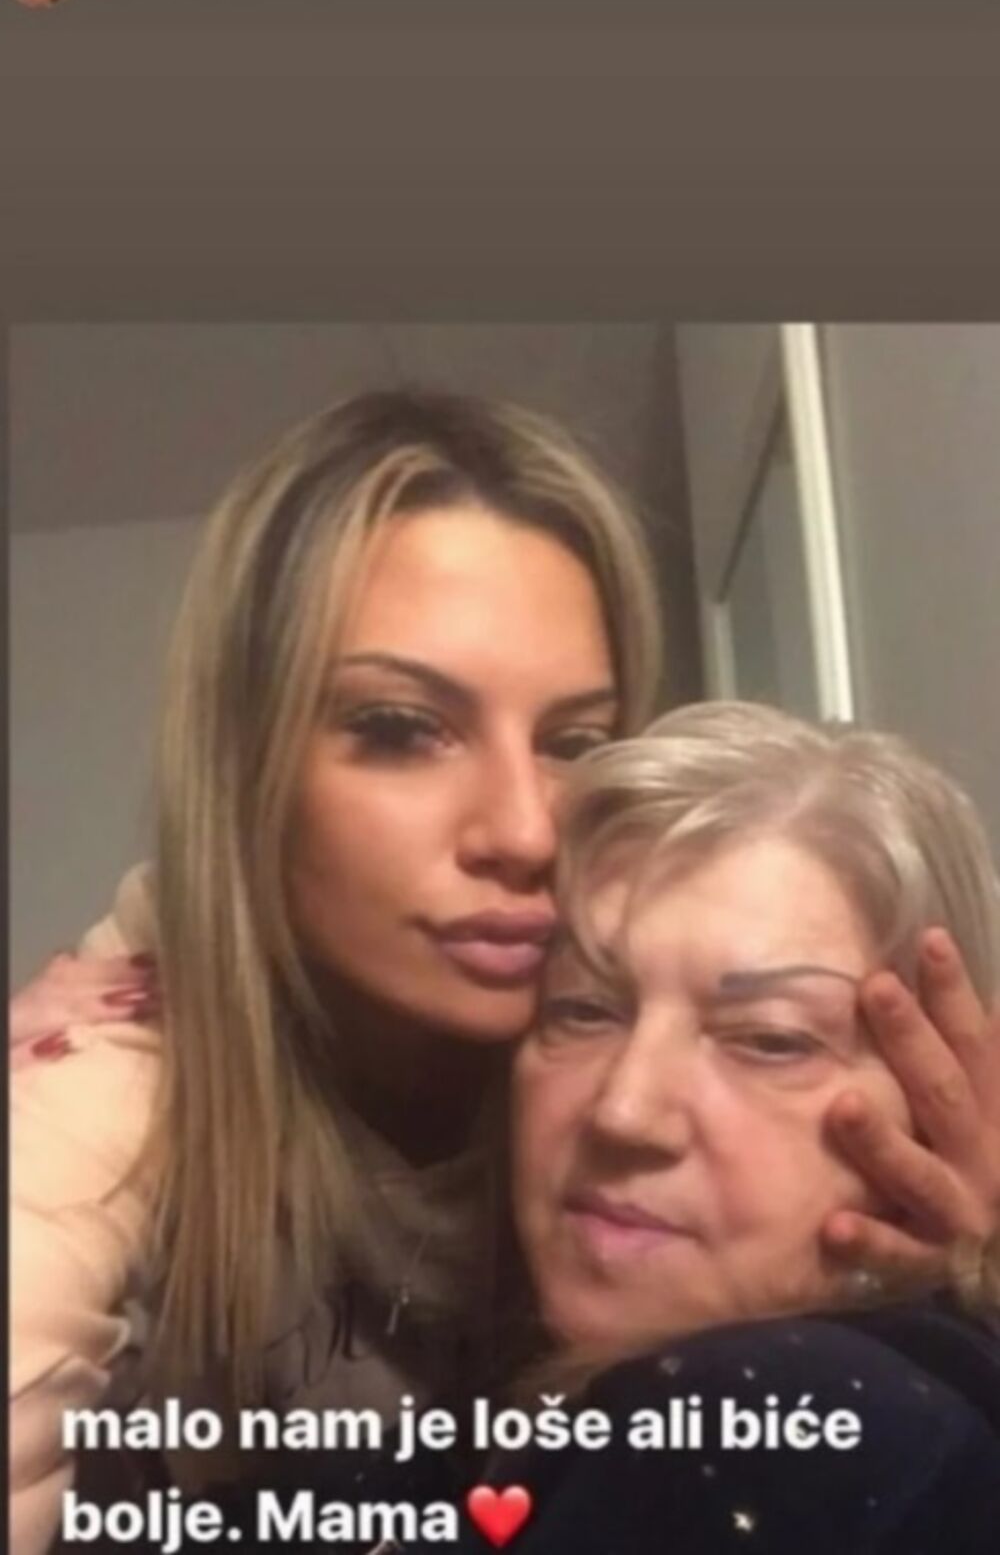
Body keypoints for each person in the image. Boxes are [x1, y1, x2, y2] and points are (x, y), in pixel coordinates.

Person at [9, 397, 1000, 1552]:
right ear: (244, 773)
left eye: (575, 741)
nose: (528, 831)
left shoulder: (803, 1420)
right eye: (400, 726)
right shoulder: (103, 1092)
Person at [466, 703, 1000, 1552]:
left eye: (770, 1039)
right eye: (582, 1008)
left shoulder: (780, 1419)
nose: (625, 1111)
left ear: (944, 1111)